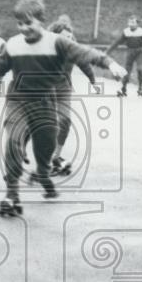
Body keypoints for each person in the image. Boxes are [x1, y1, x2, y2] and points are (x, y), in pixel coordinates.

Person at [0, 0, 127, 216]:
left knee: (45, 147)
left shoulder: (56, 42)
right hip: (18, 101)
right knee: (14, 142)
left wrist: (109, 63)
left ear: (41, 21)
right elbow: (0, 64)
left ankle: (44, 174)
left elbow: (84, 52)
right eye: (20, 24)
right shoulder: (14, 44)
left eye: (29, 23)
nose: (24, 28)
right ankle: (12, 194)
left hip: (45, 102)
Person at [48, 15, 99, 176]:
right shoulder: (46, 50)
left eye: (70, 37)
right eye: (65, 37)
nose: (68, 40)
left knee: (65, 120)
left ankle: (55, 157)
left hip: (64, 89)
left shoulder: (72, 50)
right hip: (46, 89)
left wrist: (93, 81)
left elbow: (84, 63)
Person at [106, 14, 142, 97]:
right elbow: (117, 42)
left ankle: (140, 87)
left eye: (133, 22)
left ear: (137, 24)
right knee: (126, 71)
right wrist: (107, 51)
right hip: (130, 51)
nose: (131, 24)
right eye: (129, 22)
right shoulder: (126, 31)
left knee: (140, 69)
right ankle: (123, 89)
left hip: (140, 52)